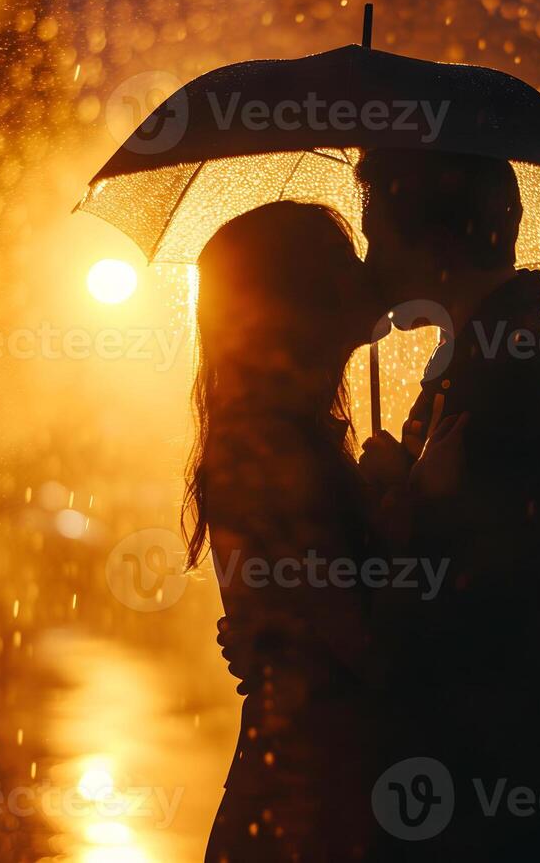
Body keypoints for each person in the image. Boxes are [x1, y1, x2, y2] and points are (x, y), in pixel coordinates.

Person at [356, 148, 540, 861]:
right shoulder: (493, 354)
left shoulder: (510, 371)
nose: (368, 263)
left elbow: (486, 600)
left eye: (376, 236)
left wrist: (401, 517)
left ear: (436, 241)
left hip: (508, 808)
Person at [188, 200, 462, 862]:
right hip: (311, 804)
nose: (364, 273)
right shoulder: (268, 447)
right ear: (298, 298)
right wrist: (411, 523)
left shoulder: (293, 439)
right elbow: (357, 643)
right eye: (343, 264)